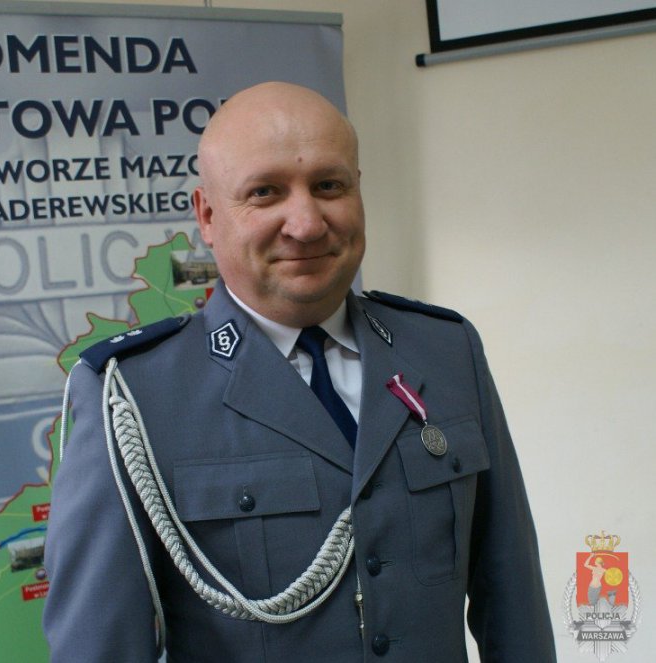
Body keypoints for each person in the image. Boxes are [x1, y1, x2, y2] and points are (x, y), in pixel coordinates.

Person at [42, 81, 556, 662]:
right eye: (265, 192)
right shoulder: (135, 395)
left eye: (329, 186)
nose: (307, 224)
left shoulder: (445, 350)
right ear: (207, 215)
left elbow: (512, 597)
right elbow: (99, 648)